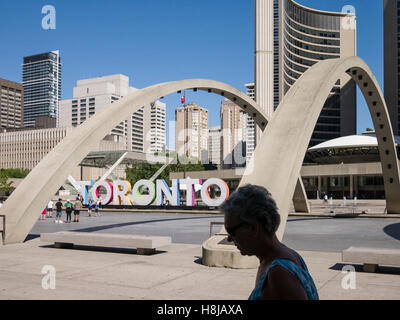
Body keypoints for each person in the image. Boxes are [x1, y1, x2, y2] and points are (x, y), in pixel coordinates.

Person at [221, 184, 319, 300]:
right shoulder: (289, 255)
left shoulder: (279, 274)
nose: (229, 239)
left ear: (254, 228)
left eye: (231, 231)